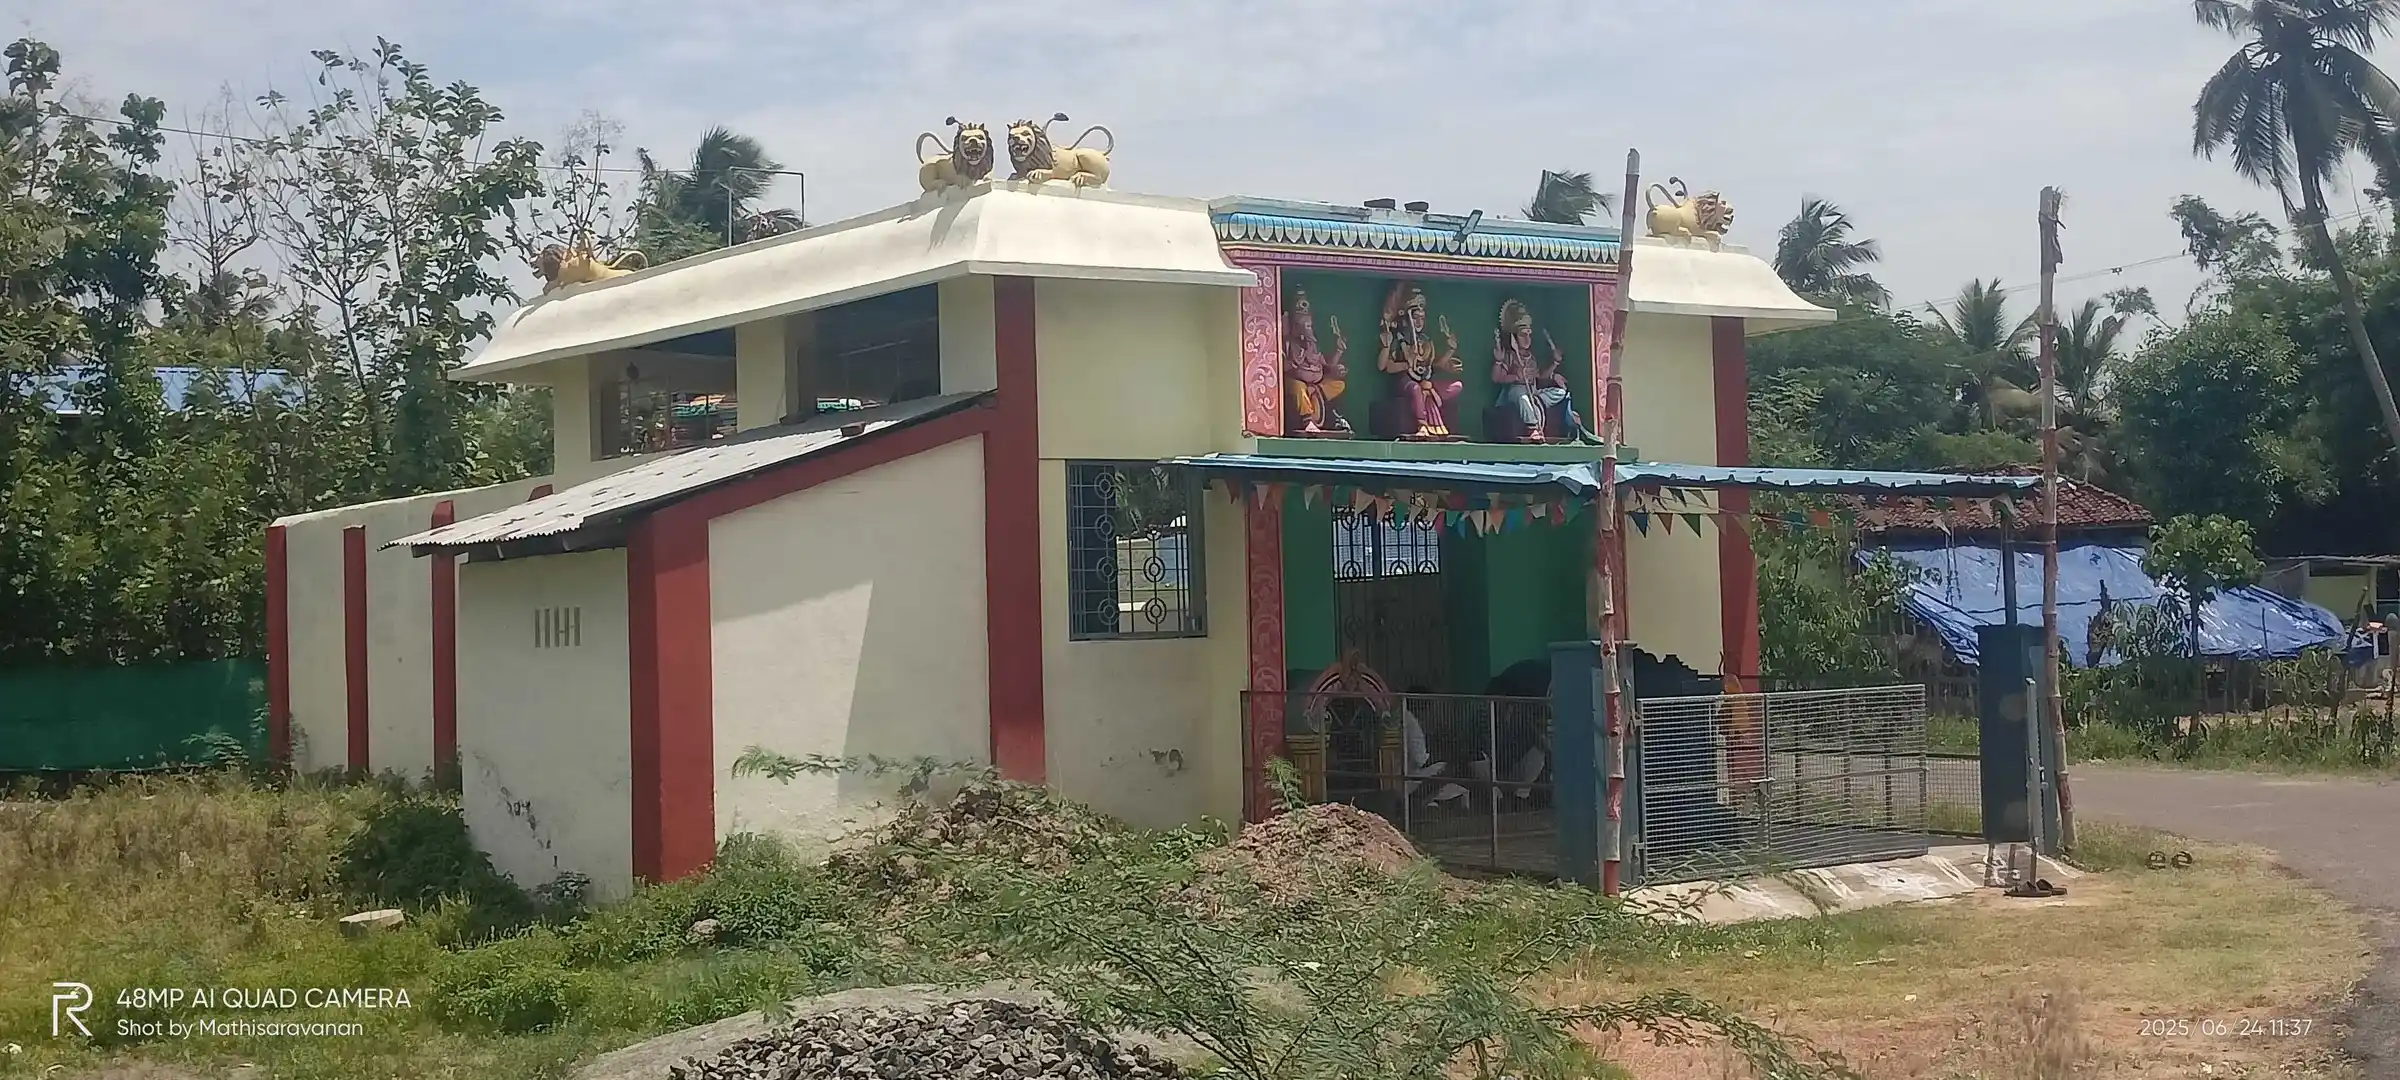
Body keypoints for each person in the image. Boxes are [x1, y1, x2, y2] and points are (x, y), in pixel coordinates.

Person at [1490, 299, 1584, 441]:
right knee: (1522, 397)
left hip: (1533, 391)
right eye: (1523, 335)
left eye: (1529, 334)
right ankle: (1533, 428)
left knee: (1560, 392)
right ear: (1515, 337)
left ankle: (1538, 403)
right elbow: (1497, 378)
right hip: (1516, 392)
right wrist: (1514, 375)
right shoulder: (1510, 356)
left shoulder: (1531, 358)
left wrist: (1555, 365)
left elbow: (1540, 376)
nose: (1527, 339)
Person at [1377, 284, 1463, 438]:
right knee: (1416, 389)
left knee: (1456, 386)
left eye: (1422, 318)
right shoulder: (1399, 338)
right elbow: (1385, 367)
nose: (1419, 322)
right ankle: (1422, 425)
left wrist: (1450, 352)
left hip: (1426, 382)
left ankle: (1433, 418)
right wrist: (1406, 363)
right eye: (1415, 318)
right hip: (1405, 382)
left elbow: (1432, 365)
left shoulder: (1426, 340)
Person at [1283, 289, 1351, 434]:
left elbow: (1327, 365)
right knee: (1298, 388)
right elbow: (1282, 365)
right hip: (1295, 381)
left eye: (1309, 325)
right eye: (1302, 324)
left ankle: (1316, 394)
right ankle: (1308, 421)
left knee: (1338, 384)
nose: (1307, 328)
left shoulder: (1313, 344)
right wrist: (1293, 364)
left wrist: (1338, 352)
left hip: (1315, 384)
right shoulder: (1288, 343)